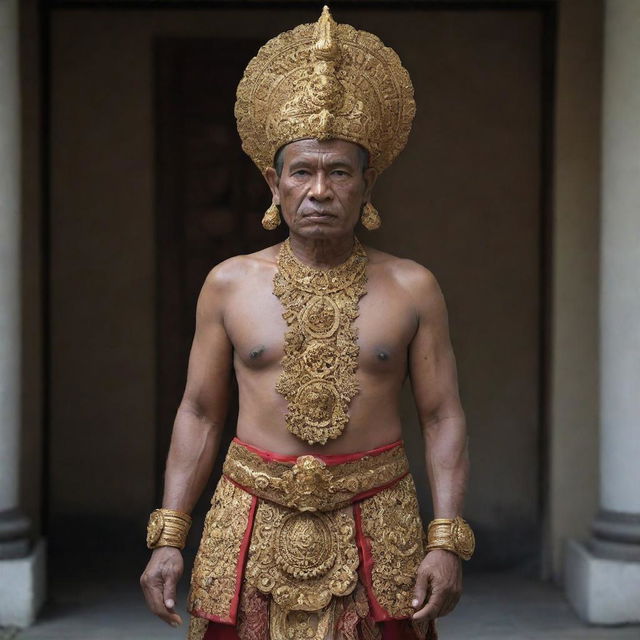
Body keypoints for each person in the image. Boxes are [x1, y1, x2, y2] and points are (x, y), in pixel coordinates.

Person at [140, 6, 474, 640]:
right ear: (274, 184)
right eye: (303, 172)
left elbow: (442, 415)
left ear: (366, 185)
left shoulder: (413, 286)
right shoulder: (228, 283)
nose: (320, 190)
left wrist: (447, 539)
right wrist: (169, 534)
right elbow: (200, 412)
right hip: (247, 519)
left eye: (340, 172)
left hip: (380, 519)